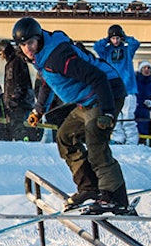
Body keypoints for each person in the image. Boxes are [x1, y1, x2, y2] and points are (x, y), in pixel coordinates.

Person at [12, 17, 130, 213]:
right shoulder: (41, 58)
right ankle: (89, 187)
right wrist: (38, 110)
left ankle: (115, 197)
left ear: (39, 38)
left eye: (30, 43)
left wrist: (108, 113)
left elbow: (98, 77)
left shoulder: (59, 56)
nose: (27, 49)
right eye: (23, 45)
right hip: (87, 100)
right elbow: (48, 82)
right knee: (65, 136)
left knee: (95, 137)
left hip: (107, 93)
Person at [93, 24, 141, 145]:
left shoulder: (127, 50)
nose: (116, 41)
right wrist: (106, 39)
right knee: (116, 116)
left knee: (128, 116)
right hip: (113, 89)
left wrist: (125, 38)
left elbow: (135, 43)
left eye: (118, 38)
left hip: (128, 88)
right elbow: (96, 47)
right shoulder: (106, 52)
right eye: (113, 38)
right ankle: (119, 138)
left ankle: (132, 140)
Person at [0, 40, 40, 142]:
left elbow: (21, 83)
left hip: (20, 103)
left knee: (19, 127)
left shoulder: (17, 62)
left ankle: (24, 143)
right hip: (15, 102)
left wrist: (15, 98)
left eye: (0, 52)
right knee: (15, 126)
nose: (0, 55)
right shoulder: (11, 63)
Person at [135, 61, 151, 144]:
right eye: (144, 68)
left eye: (148, 68)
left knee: (143, 140)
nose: (146, 70)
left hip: (145, 116)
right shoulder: (135, 83)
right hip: (134, 114)